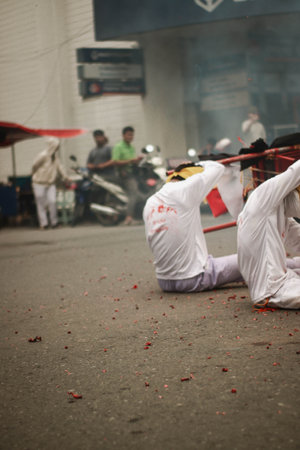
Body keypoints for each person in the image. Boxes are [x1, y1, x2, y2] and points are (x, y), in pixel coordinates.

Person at [143, 161, 243, 292]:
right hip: (193, 278)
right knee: (253, 258)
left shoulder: (151, 201)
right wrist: (197, 163)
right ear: (192, 178)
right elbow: (218, 167)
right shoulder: (186, 189)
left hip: (164, 281)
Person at [237, 160, 300, 309]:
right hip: (272, 290)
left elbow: (298, 240)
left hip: (279, 280)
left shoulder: (275, 209)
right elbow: (294, 172)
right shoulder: (264, 198)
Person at [32, 137, 70, 229]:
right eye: (56, 146)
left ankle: (54, 222)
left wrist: (66, 177)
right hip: (39, 183)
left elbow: (60, 167)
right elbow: (34, 166)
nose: (57, 148)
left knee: (52, 202)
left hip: (50, 183)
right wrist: (37, 176)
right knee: (41, 204)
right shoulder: (43, 155)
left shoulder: (55, 157)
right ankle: (43, 224)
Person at [112, 126, 143, 225]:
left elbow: (133, 161)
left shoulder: (131, 147)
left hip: (132, 173)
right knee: (133, 193)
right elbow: (115, 161)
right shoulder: (118, 147)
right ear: (123, 135)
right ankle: (128, 217)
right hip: (123, 174)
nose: (131, 137)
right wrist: (130, 161)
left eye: (132, 135)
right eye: (129, 134)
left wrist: (138, 161)